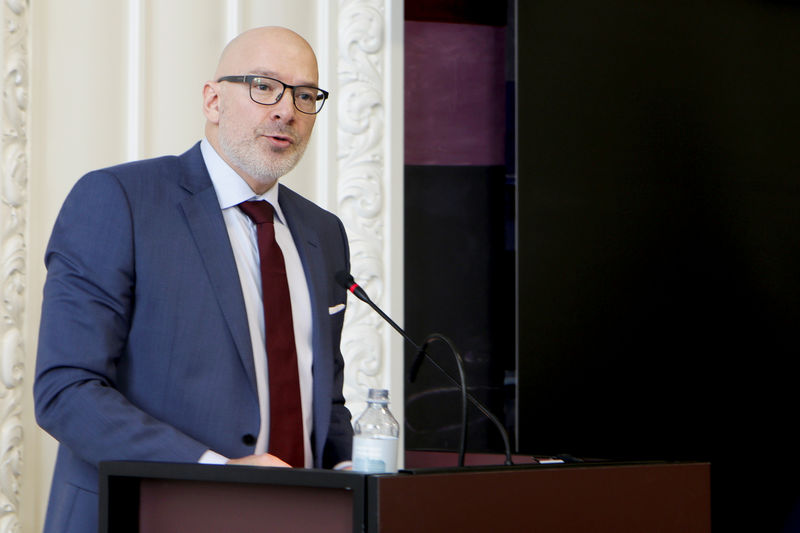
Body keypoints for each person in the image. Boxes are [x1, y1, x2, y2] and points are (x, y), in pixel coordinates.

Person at [34, 26, 353, 533]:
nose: (286, 110)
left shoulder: (323, 232)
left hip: (301, 516)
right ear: (212, 100)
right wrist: (215, 473)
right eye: (264, 86)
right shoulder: (119, 200)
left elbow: (323, 393)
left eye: (306, 94)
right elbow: (66, 390)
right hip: (147, 514)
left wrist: (346, 469)